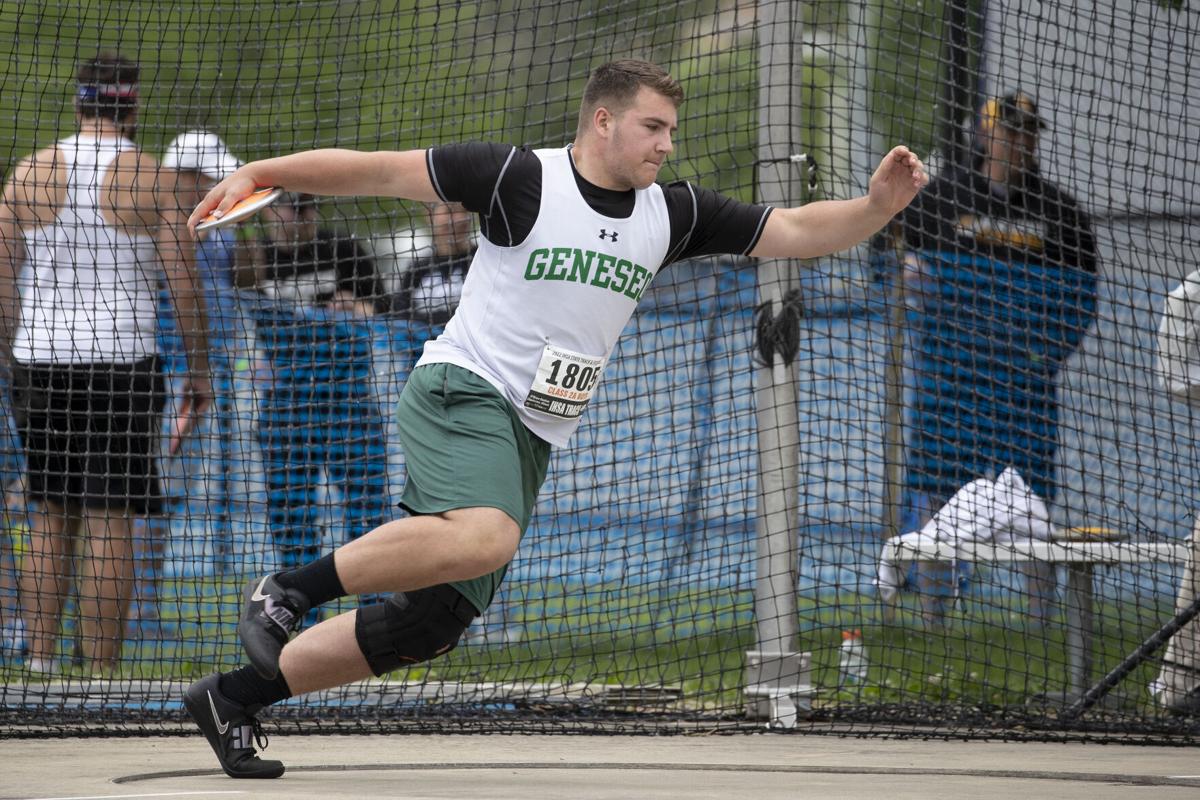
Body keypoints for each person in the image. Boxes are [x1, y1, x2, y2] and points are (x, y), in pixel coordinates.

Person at [181, 59, 927, 779]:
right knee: (487, 535)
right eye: (653, 127)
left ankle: (233, 698)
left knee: (430, 624)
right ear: (603, 121)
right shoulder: (520, 178)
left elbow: (793, 229)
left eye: (672, 130)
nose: (667, 144)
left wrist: (875, 209)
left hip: (532, 432)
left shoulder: (674, 213)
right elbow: (375, 170)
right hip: (462, 389)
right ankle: (288, 591)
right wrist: (262, 171)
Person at [0, 53, 213, 674]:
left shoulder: (28, 174)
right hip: (121, 360)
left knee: (49, 508)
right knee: (112, 517)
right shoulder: (150, 178)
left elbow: (3, 280)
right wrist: (198, 370)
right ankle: (101, 673)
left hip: (38, 361)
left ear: (79, 103)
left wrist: (6, 357)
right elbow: (183, 280)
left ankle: (39, 663)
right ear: (132, 106)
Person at [886, 90, 1098, 625]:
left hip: (1024, 385)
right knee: (938, 490)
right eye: (1009, 130)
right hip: (949, 381)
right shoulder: (939, 198)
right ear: (986, 134)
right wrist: (919, 286)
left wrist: (1040, 353)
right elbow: (908, 275)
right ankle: (934, 617)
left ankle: (1038, 624)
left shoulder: (1061, 212)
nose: (1020, 141)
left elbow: (1079, 300)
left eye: (1028, 132)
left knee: (1032, 501)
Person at [251, 193, 391, 587]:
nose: (303, 215)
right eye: (293, 208)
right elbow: (226, 321)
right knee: (290, 518)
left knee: (367, 515)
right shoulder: (255, 259)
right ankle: (303, 613)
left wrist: (353, 307)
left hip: (347, 401)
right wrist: (252, 364)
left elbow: (387, 312)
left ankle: (373, 610)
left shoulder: (343, 248)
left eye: (309, 207)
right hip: (286, 407)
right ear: (268, 212)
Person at [391, 201, 475, 327]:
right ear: (429, 215)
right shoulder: (418, 269)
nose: (460, 219)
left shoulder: (480, 261)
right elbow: (400, 318)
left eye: (464, 211)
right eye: (450, 211)